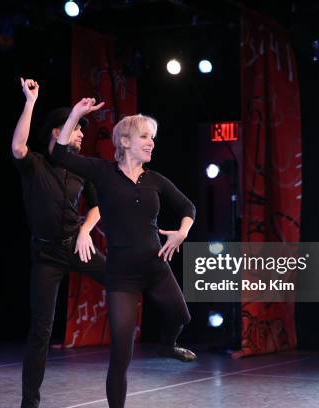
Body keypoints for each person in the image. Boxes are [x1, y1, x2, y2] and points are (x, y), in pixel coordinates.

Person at [51, 98, 197, 408]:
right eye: (145, 136)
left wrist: (183, 231)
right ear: (125, 141)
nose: (151, 143)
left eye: (152, 137)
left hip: (156, 267)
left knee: (181, 315)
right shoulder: (102, 173)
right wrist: (76, 113)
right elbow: (60, 154)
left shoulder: (155, 180)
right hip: (122, 274)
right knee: (121, 352)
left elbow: (188, 207)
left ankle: (167, 346)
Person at [11, 79, 106, 408]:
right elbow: (18, 147)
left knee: (122, 277)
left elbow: (97, 206)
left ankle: (168, 338)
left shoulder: (81, 170)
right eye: (77, 128)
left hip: (75, 244)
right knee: (41, 332)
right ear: (57, 131)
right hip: (46, 254)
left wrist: (85, 231)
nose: (81, 134)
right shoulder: (34, 163)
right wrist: (30, 102)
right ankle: (29, 403)